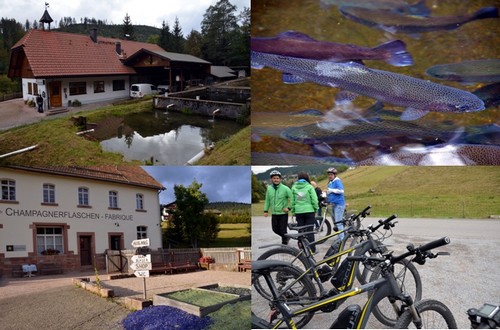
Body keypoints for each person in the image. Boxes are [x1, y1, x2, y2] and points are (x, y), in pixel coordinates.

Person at [290, 172, 318, 253]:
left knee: (300, 231)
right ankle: (312, 250)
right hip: (309, 211)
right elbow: (314, 199)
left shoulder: (294, 187)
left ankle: (302, 249)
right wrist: (315, 208)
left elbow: (292, 201)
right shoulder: (309, 187)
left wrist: (294, 210)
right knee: (310, 231)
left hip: (299, 212)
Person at [263, 170, 292, 245]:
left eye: (277, 178)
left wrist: (289, 208)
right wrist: (265, 210)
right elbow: (267, 200)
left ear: (280, 179)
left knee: (283, 230)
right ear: (271, 179)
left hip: (283, 213)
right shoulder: (269, 188)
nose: (276, 180)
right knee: (274, 229)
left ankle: (284, 243)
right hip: (274, 213)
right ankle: (286, 237)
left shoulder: (285, 188)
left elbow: (293, 199)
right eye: (274, 178)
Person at [326, 167, 346, 239]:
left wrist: (330, 190)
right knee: (337, 222)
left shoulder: (337, 181)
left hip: (339, 204)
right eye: (328, 174)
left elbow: (341, 191)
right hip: (333, 204)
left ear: (335, 175)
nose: (329, 176)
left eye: (331, 174)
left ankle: (341, 239)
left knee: (338, 223)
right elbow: (330, 192)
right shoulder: (330, 183)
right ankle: (341, 236)